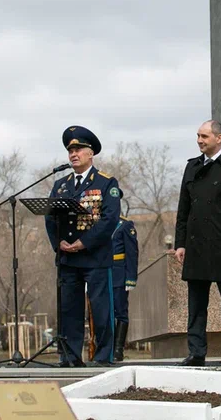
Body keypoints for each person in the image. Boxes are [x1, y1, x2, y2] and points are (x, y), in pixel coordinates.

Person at [174, 120, 221, 366]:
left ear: (219, 138)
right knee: (196, 307)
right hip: (196, 247)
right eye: (198, 136)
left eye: (204, 136)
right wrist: (180, 243)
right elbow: (183, 209)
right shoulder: (192, 167)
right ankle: (196, 353)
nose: (199, 140)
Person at [44, 125, 121, 366]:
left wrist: (83, 242)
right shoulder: (61, 185)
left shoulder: (106, 183)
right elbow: (49, 218)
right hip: (68, 257)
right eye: (70, 150)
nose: (73, 154)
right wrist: (60, 244)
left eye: (79, 149)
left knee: (101, 309)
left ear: (91, 153)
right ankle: (70, 356)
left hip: (95, 257)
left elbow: (109, 220)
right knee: (69, 310)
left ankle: (103, 356)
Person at [111, 204, 139, 362]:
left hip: (119, 274)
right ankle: (107, 347)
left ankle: (118, 349)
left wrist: (130, 278)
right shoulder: (99, 223)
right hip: (102, 274)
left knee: (120, 311)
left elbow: (132, 253)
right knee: (104, 312)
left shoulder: (125, 224)